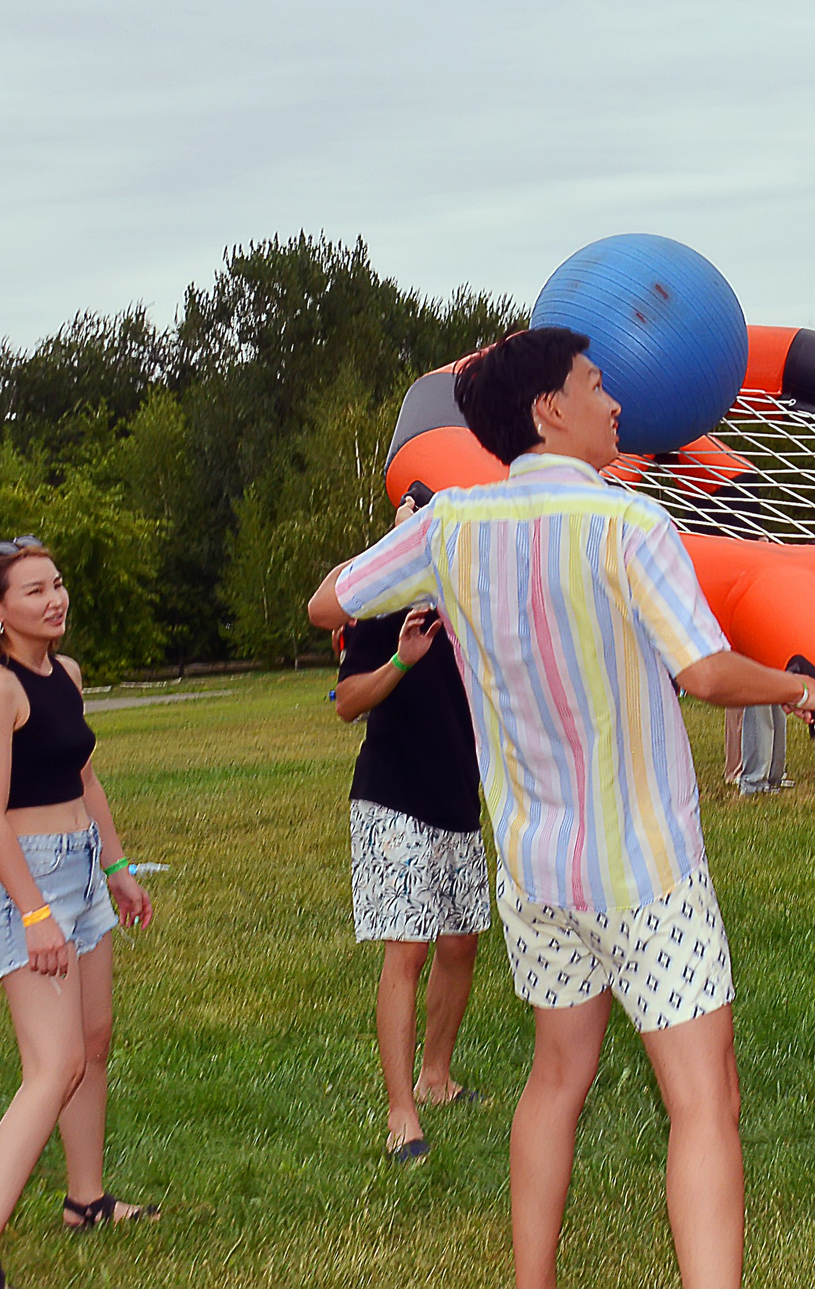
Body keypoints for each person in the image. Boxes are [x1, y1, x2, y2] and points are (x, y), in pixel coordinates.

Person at [308, 326, 815, 1289]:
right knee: (704, 1099)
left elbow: (325, 604)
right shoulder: (629, 523)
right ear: (550, 409)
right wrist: (800, 689)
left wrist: (414, 546)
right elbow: (706, 671)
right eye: (596, 384)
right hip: (647, 869)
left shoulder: (450, 523)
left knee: (556, 1078)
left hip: (535, 870)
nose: (617, 402)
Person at [0, 536, 159, 1289]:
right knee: (53, 1065)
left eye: (56, 584)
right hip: (28, 882)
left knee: (93, 1041)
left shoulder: (67, 673)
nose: (55, 598)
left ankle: (86, 1201)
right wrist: (36, 915)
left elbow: (83, 776)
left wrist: (118, 869)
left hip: (83, 868)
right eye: (34, 590)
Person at [333, 488, 489, 1163]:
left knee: (460, 943)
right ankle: (402, 1113)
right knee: (409, 950)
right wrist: (401, 659)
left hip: (458, 796)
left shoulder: (476, 598)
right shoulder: (381, 597)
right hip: (392, 797)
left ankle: (437, 1077)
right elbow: (346, 702)